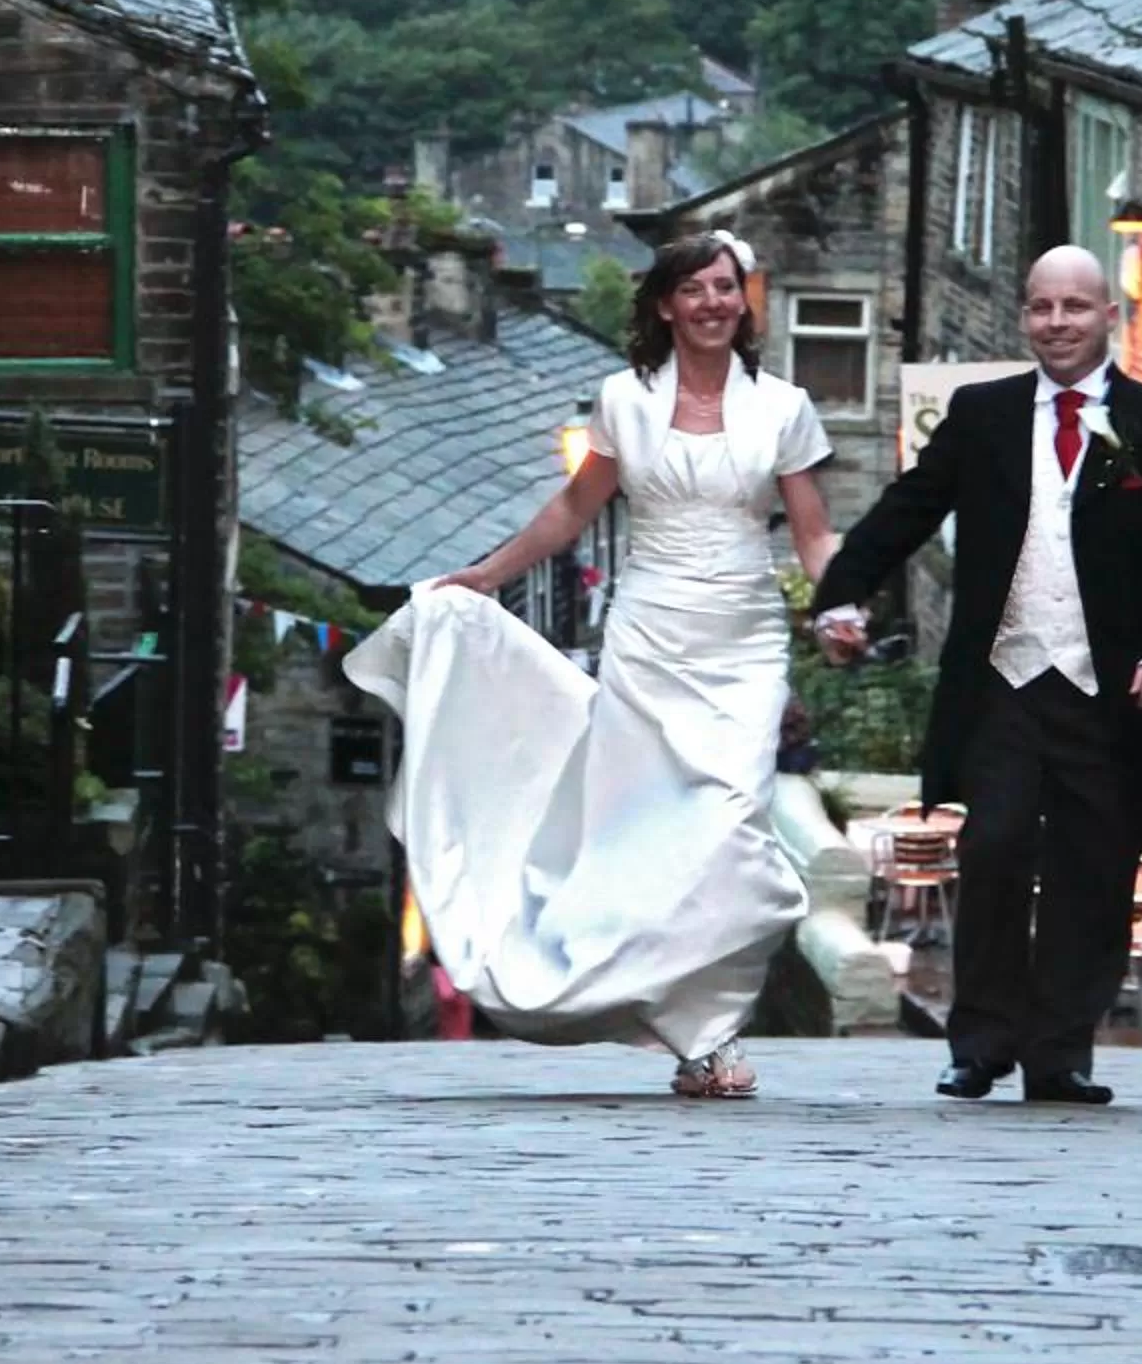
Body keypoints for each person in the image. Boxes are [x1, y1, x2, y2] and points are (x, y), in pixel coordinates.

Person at [342, 231, 841, 1100]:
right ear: (664, 305)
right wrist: (489, 576)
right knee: (652, 831)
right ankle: (699, 1039)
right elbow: (574, 505)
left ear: (743, 301)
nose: (715, 303)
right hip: (650, 635)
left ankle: (711, 1019)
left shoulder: (785, 408)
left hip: (744, 639)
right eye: (695, 290)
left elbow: (812, 534)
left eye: (727, 288)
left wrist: (844, 601)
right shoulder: (625, 401)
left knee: (731, 824)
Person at [809, 246, 1142, 1106]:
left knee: (1094, 865)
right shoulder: (983, 414)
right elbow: (909, 508)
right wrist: (842, 593)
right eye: (1041, 307)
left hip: (1111, 686)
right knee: (992, 847)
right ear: (1025, 317)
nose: (1058, 323)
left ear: (1111, 316)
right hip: (1005, 676)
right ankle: (981, 1044)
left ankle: (1061, 1055)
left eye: (1076, 307)